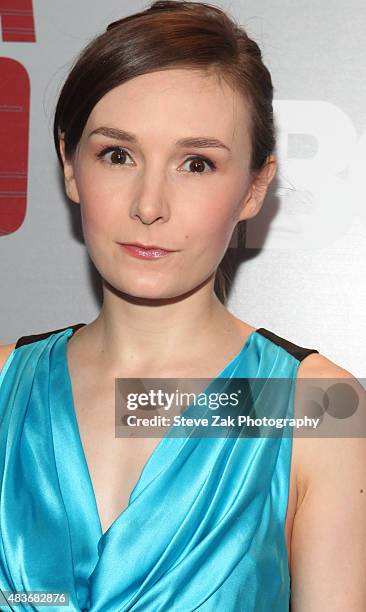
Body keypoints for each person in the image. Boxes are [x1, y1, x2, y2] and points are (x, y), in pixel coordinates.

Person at [0, 1, 365, 610]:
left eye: (196, 163)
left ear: (253, 186)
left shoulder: (317, 408)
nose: (149, 204)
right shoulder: (2, 385)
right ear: (69, 165)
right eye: (118, 154)